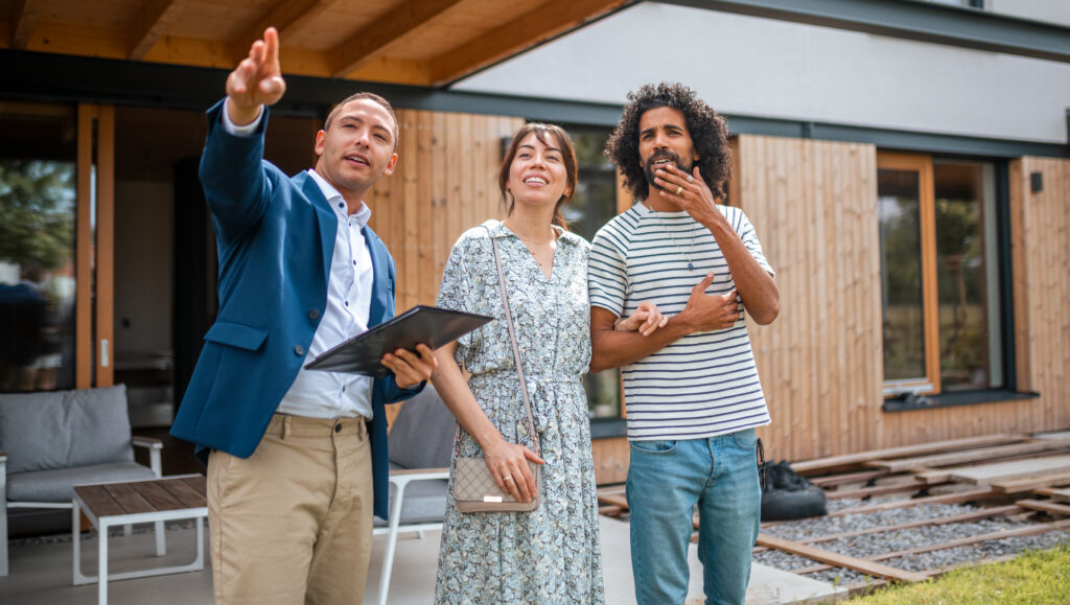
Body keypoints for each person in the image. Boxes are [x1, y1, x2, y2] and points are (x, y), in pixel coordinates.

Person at [169, 27, 437, 604]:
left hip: (356, 455)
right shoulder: (272, 200)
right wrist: (244, 111)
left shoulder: (379, 256)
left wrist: (405, 378)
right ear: (321, 142)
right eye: (351, 126)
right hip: (268, 449)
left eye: (380, 135)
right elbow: (228, 176)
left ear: (390, 162)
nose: (364, 139)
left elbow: (375, 374)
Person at [431, 123, 664, 604]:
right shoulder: (477, 247)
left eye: (552, 157)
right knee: (494, 573)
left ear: (568, 183)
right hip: (496, 433)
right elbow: (439, 356)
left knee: (563, 567)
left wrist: (628, 324)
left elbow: (580, 337)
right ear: (508, 176)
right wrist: (493, 444)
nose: (538, 163)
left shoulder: (584, 254)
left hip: (568, 439)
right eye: (525, 155)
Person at [588, 82, 780, 605]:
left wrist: (713, 217)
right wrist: (686, 321)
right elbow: (598, 352)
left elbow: (766, 308)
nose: (659, 141)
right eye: (647, 135)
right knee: (661, 597)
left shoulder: (734, 222)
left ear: (698, 148)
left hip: (738, 441)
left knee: (729, 595)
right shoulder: (615, 239)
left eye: (673, 131)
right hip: (661, 448)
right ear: (635, 151)